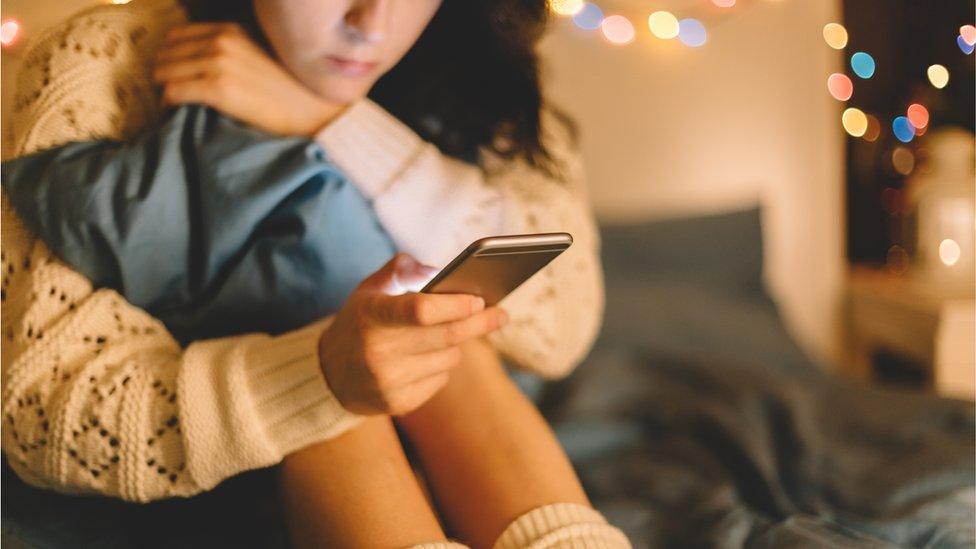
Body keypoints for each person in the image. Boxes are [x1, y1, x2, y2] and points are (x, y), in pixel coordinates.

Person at [0, 0, 629, 547]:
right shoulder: (107, 58)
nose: (370, 24)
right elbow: (43, 414)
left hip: (455, 426)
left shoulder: (484, 60)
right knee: (351, 338)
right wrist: (321, 374)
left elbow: (561, 326)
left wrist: (326, 118)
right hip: (229, 453)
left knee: (442, 328)